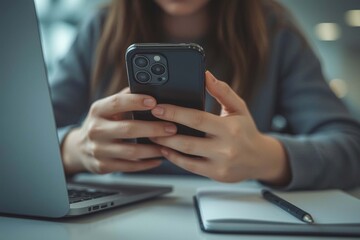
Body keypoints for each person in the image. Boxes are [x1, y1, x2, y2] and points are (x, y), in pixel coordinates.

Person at [50, 0, 360, 190]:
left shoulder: (275, 31)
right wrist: (73, 150)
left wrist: (267, 158)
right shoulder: (99, 28)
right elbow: (24, 145)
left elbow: (351, 147)